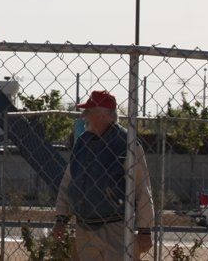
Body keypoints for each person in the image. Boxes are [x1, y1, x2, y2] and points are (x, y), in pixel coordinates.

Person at [52, 90, 154, 260]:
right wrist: (61, 218)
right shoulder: (82, 143)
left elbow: (142, 188)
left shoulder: (126, 144)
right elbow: (69, 183)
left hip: (115, 228)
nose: (84, 116)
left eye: (89, 111)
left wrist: (145, 229)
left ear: (104, 115)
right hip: (84, 227)